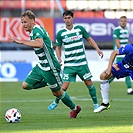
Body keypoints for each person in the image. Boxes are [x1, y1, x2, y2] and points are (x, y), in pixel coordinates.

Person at [9, 10, 81, 118]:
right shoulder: (33, 31)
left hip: (50, 67)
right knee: (25, 85)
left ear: (32, 21)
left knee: (57, 93)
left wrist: (21, 41)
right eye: (22, 22)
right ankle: (47, 82)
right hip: (41, 66)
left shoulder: (37, 30)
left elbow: (39, 44)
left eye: (25, 22)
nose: (23, 25)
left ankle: (75, 109)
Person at [48, 10, 104, 111]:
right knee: (64, 87)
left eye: (69, 18)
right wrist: (59, 58)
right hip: (69, 65)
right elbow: (58, 47)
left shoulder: (79, 29)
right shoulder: (61, 33)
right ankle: (55, 102)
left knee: (89, 83)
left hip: (82, 63)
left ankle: (95, 104)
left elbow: (89, 39)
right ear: (63, 19)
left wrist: (97, 49)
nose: (67, 20)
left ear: (72, 18)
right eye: (65, 18)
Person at [94, 44, 133, 113]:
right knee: (103, 76)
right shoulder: (129, 48)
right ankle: (105, 103)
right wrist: (109, 68)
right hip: (123, 66)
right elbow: (114, 52)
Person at [110, 16, 133, 95]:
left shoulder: (126, 29)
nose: (123, 22)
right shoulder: (117, 30)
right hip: (120, 54)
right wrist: (123, 52)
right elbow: (117, 42)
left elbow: (126, 42)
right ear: (119, 22)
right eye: (122, 21)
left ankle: (129, 89)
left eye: (125, 21)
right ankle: (105, 82)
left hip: (126, 54)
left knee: (127, 70)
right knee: (115, 71)